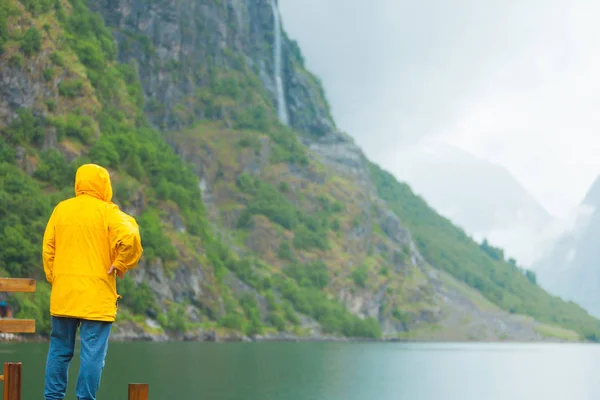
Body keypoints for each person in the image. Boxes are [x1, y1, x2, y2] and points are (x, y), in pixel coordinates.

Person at [42, 164, 143, 400]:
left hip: (64, 295)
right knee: (92, 355)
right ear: (104, 185)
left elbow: (48, 249)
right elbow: (130, 235)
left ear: (79, 183)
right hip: (96, 298)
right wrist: (120, 264)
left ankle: (52, 398)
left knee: (59, 350)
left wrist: (55, 279)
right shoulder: (108, 212)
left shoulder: (61, 209)